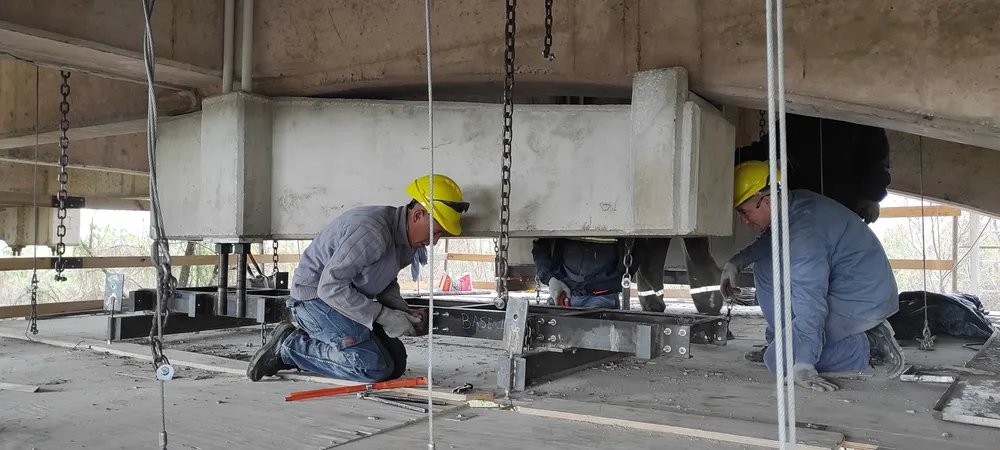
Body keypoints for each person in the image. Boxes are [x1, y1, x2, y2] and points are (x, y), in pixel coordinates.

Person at [246, 174, 469, 383]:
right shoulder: (372, 232)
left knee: (396, 364)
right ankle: (289, 346)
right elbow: (330, 287)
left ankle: (320, 343)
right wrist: (383, 315)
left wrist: (402, 310)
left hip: (342, 301)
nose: (435, 241)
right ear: (418, 215)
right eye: (436, 232)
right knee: (371, 367)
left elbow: (384, 280)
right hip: (314, 301)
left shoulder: (409, 242)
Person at [719, 161, 904, 392]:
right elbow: (770, 242)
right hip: (848, 286)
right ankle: (783, 341)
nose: (744, 221)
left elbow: (810, 302)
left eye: (744, 212)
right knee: (765, 264)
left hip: (861, 300)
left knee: (778, 362)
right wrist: (735, 264)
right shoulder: (795, 204)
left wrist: (804, 363)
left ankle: (868, 346)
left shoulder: (805, 237)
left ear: (766, 200)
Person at [532, 237, 628, 309]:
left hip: (602, 296)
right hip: (564, 293)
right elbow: (541, 245)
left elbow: (636, 247)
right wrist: (550, 279)